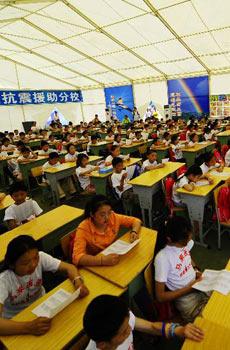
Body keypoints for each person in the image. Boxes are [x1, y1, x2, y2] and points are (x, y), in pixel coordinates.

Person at [0, 235, 88, 335]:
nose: (33, 264)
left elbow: (69, 268)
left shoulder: (41, 257)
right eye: (25, 263)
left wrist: (78, 282)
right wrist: (28, 327)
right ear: (12, 264)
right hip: (16, 319)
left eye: (35, 258)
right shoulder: (4, 280)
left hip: (42, 305)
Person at [83, 294, 204, 350]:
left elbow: (152, 327)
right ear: (103, 345)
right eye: (124, 332)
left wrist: (179, 330)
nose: (130, 329)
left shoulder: (121, 319)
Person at [154, 216, 209, 323]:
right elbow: (160, 297)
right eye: (185, 242)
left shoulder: (182, 240)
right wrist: (190, 288)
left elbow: (187, 257)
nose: (189, 241)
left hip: (198, 286)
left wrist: (196, 270)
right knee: (212, 319)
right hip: (187, 300)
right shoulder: (162, 258)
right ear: (169, 239)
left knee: (223, 296)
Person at [72, 195, 141, 266]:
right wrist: (102, 260)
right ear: (92, 214)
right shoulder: (84, 228)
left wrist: (134, 231)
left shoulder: (113, 216)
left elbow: (136, 221)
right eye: (102, 215)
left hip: (112, 255)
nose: (107, 217)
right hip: (94, 262)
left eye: (109, 212)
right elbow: (77, 257)